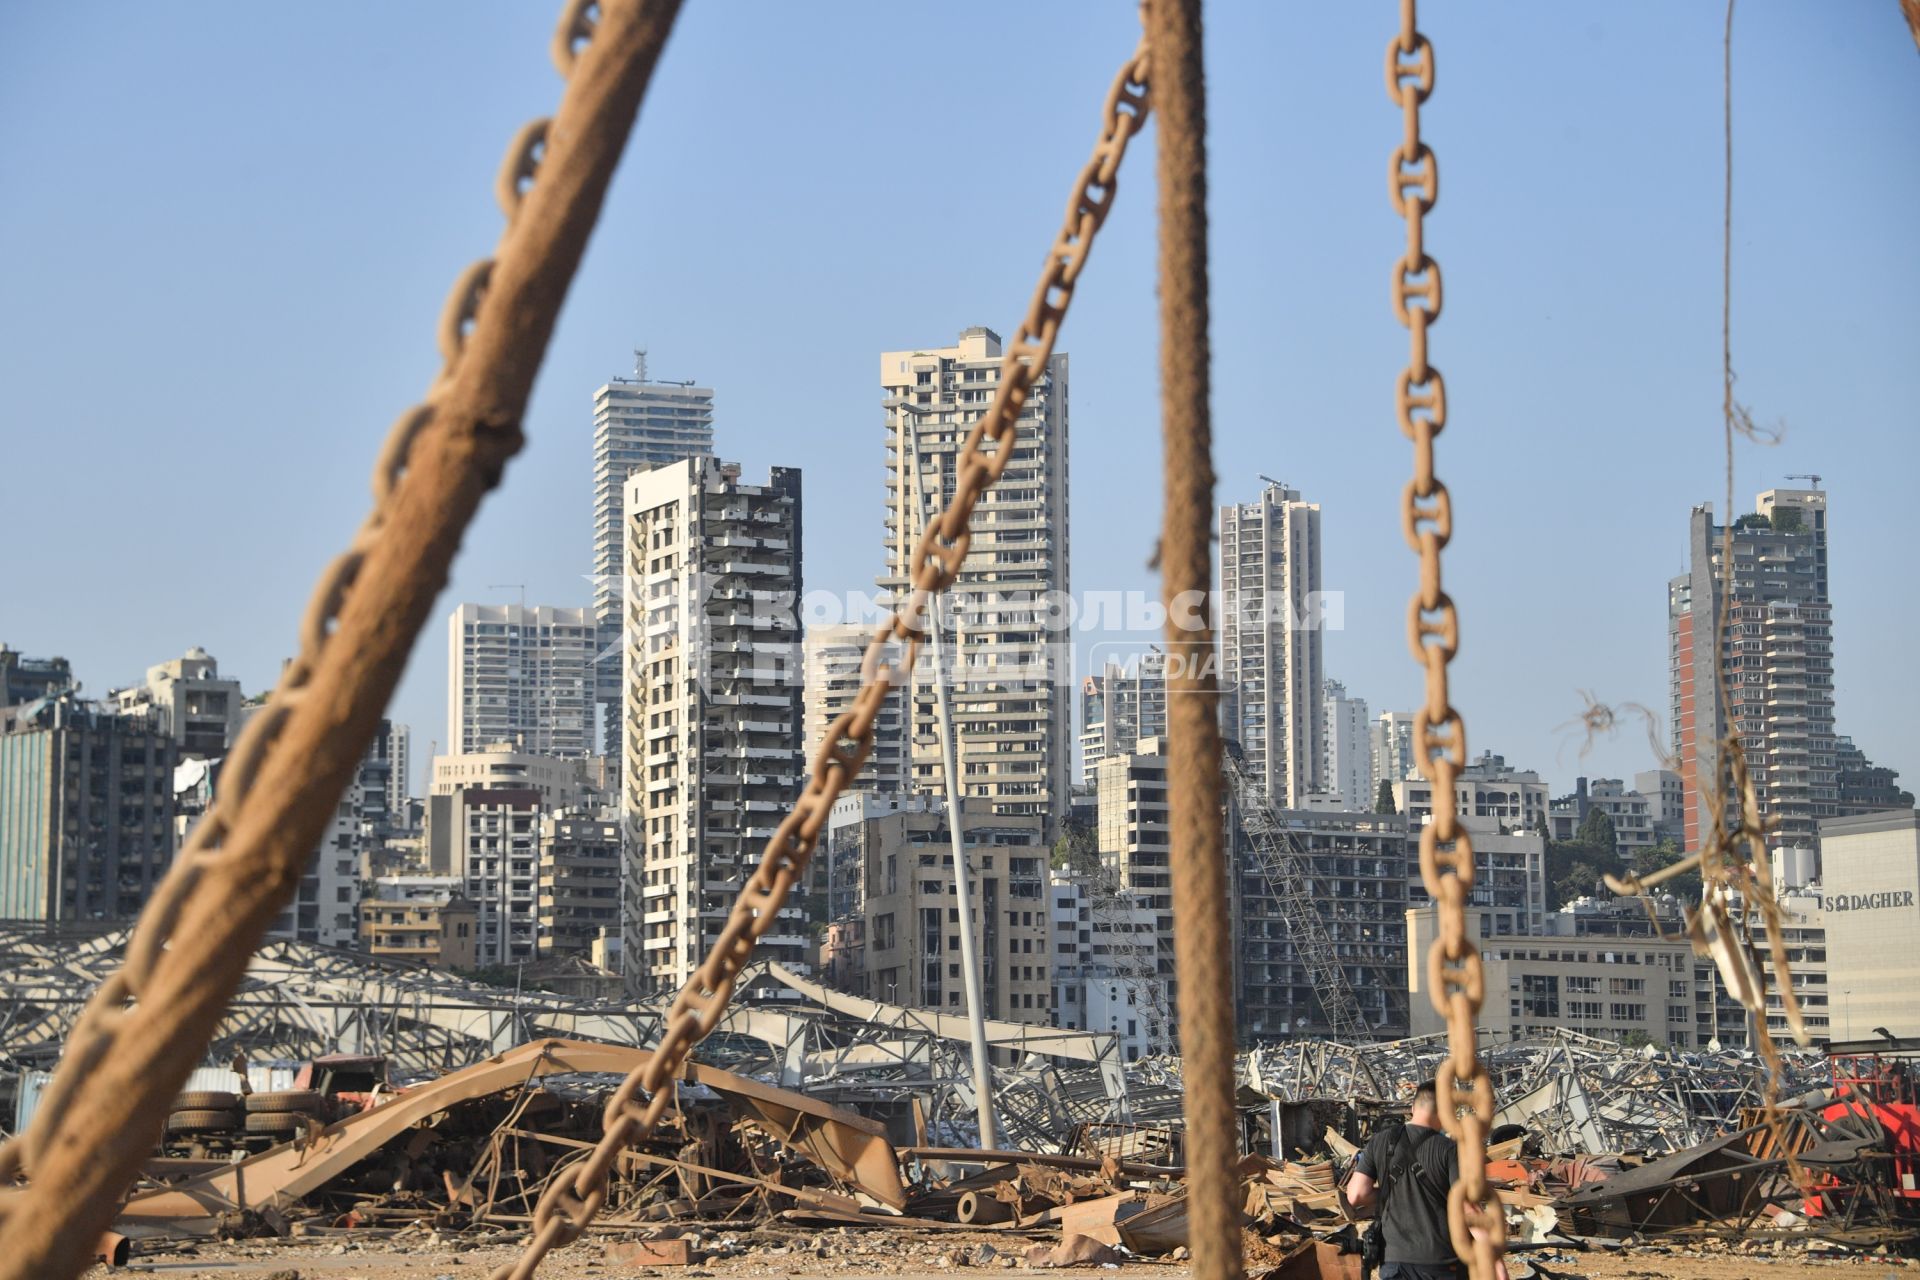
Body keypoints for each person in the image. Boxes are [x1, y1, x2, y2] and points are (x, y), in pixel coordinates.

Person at [1342, 1079, 1506, 1280]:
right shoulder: (1450, 1149)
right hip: (1440, 1263)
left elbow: (1356, 1194)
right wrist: (1496, 1263)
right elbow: (1468, 1209)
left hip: (1394, 1263)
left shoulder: (1379, 1141)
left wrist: (1391, 1190)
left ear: (1412, 1107)